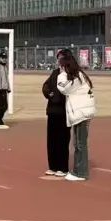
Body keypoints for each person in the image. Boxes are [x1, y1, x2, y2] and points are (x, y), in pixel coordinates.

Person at [56, 50, 96, 181]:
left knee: (80, 144)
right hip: (81, 112)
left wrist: (62, 74)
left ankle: (81, 172)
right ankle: (78, 170)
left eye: (61, 64)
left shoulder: (77, 77)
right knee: (78, 143)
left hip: (82, 113)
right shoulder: (77, 75)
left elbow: (64, 89)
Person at [42, 49, 70, 177]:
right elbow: (46, 86)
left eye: (62, 58)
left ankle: (63, 167)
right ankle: (53, 166)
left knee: (62, 140)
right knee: (52, 140)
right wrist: (49, 93)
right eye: (58, 58)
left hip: (64, 112)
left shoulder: (71, 73)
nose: (60, 61)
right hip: (52, 110)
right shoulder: (54, 73)